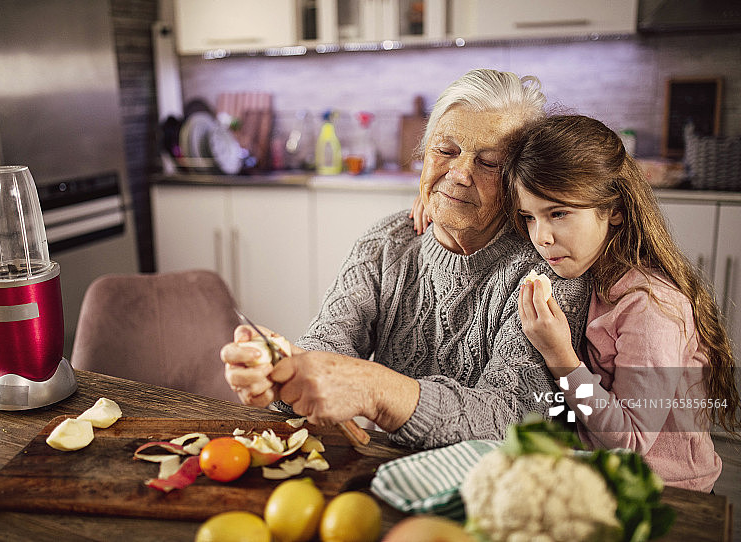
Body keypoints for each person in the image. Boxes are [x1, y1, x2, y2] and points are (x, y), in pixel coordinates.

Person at [221, 69, 592, 450]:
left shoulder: (550, 268)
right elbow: (327, 348)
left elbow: (515, 416)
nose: (459, 173)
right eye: (445, 151)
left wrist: (377, 390)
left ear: (522, 180)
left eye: (490, 162)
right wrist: (281, 370)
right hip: (386, 475)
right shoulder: (387, 242)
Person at [504, 114, 739, 491]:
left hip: (667, 495)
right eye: (528, 217)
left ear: (614, 210)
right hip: (602, 476)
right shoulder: (591, 269)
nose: (540, 237)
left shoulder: (648, 307)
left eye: (558, 213)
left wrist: (560, 356)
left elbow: (631, 439)